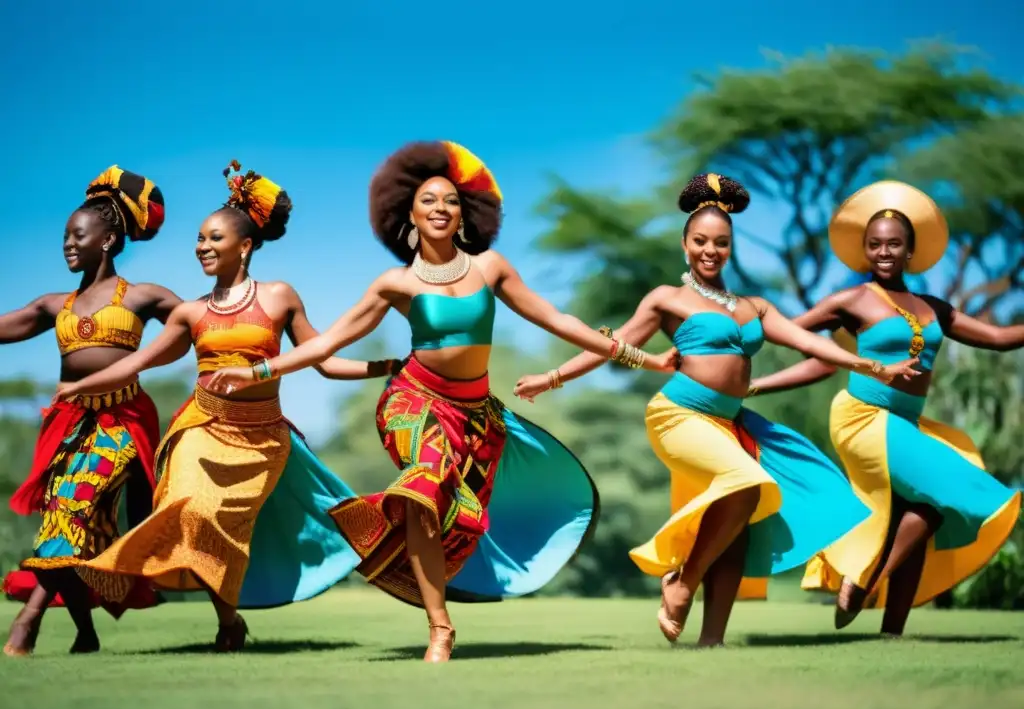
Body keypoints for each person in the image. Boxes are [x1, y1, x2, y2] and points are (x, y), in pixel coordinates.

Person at [205, 141, 676, 662]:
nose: (440, 208)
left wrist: (639, 357)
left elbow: (559, 321)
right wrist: (257, 370)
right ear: (410, 214)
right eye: (428, 200)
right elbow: (325, 344)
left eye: (450, 201)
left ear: (462, 215)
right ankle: (440, 627)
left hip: (477, 416)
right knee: (423, 487)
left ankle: (412, 565)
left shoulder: (490, 268)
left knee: (452, 518)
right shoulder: (396, 283)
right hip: (414, 401)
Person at [514, 173, 919, 646]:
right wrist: (552, 378)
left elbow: (810, 342)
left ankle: (712, 640)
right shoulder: (667, 299)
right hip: (679, 416)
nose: (711, 250)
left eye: (722, 242)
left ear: (731, 248)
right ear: (685, 243)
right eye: (701, 241)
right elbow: (612, 344)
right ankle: (682, 583)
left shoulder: (755, 308)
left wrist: (869, 365)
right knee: (748, 485)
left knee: (742, 521)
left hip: (733, 423)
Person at [56, 162, 395, 652]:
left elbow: (323, 361)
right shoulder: (191, 313)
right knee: (194, 508)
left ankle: (228, 623)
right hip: (202, 426)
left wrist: (385, 366)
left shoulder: (279, 297)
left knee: (225, 525)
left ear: (246, 245)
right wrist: (78, 386)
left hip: (261, 439)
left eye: (213, 238)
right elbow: (138, 363)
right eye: (198, 239)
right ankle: (201, 606)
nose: (202, 247)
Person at [748, 180, 1022, 635]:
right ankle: (866, 577)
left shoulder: (932, 307)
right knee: (950, 493)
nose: (884, 251)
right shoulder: (850, 301)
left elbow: (995, 339)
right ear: (865, 250)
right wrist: (742, 368)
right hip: (863, 416)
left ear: (910, 251)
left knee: (923, 512)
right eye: (875, 245)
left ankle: (892, 631)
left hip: (907, 424)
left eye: (894, 244)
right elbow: (787, 334)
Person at [1, 166, 179, 657]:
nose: (67, 243)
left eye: (77, 234)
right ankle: (86, 631)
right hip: (68, 426)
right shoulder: (55, 304)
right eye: (64, 236)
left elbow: (195, 324)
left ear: (108, 239)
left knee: (73, 507)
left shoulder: (143, 296)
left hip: (122, 423)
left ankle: (27, 621)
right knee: (69, 521)